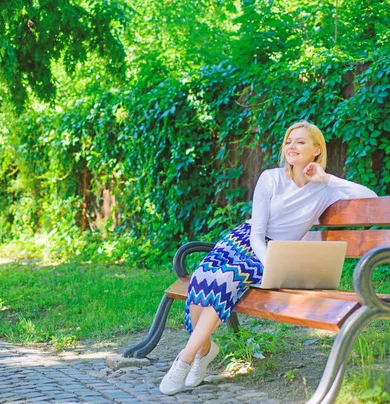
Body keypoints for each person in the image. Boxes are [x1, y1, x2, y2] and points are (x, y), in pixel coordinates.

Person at [159, 120, 378, 395]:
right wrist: (267, 260)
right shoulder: (271, 177)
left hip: (282, 252)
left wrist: (326, 178)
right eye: (289, 141)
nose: (291, 146)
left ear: (317, 150)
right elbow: (256, 232)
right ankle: (205, 349)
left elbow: (371, 197)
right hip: (248, 242)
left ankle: (184, 358)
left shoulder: (325, 189)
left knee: (227, 278)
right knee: (203, 276)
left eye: (300, 141)